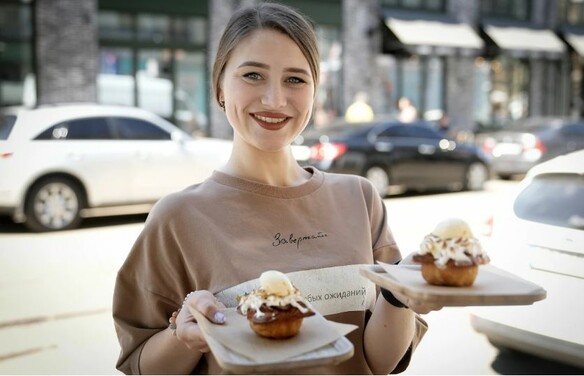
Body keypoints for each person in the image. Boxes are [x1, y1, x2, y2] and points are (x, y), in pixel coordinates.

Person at [113, 3, 438, 374]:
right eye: (253, 75)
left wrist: (398, 297)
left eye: (295, 79)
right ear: (220, 85)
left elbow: (378, 363)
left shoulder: (359, 199)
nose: (274, 100)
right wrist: (182, 336)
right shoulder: (178, 218)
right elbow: (141, 365)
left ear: (315, 92)